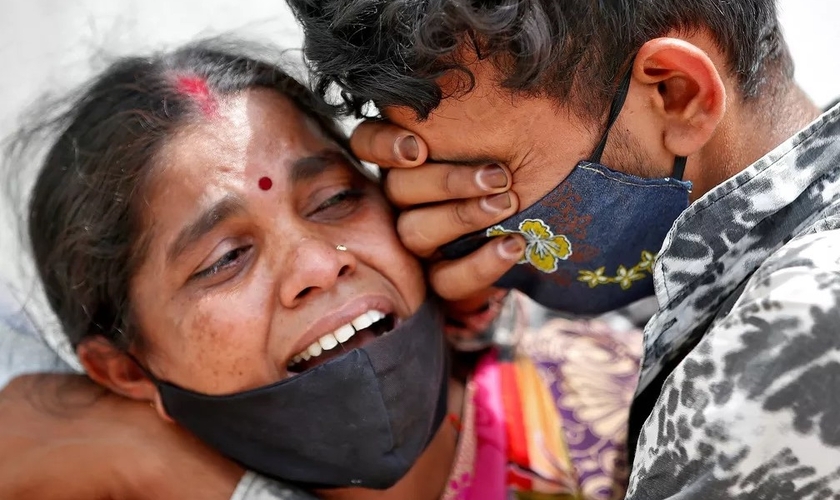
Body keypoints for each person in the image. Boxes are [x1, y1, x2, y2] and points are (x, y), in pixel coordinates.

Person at [0, 42, 642, 500]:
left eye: (336, 200)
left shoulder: (618, 404)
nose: (317, 266)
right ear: (127, 372)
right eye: (226, 259)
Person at [285, 0, 840, 497]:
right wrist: (470, 312)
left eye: (486, 175)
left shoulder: (780, 345)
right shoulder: (720, 271)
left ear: (677, 92)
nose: (450, 220)